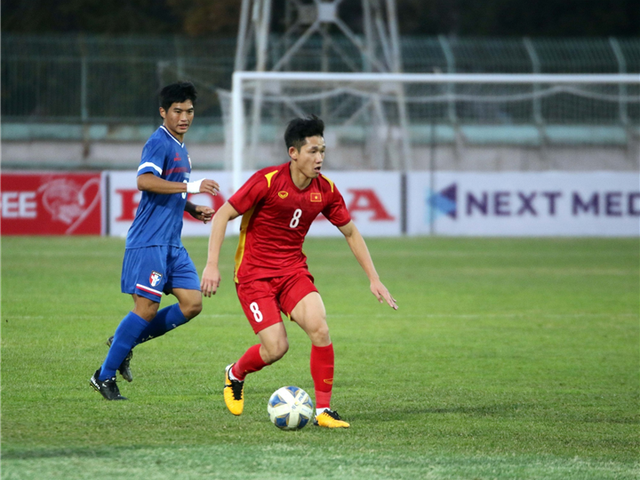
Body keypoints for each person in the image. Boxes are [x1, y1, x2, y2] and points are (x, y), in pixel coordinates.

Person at [200, 115, 397, 428]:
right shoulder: (266, 181)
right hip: (254, 275)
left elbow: (350, 232)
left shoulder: (326, 190)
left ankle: (323, 411)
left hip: (293, 271)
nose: (320, 158)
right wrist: (212, 264)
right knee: (276, 348)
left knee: (320, 328)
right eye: (313, 151)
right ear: (293, 153)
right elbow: (223, 214)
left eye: (323, 151)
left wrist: (374, 278)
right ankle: (235, 373)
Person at [90, 81, 220, 400]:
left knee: (192, 304)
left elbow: (169, 189)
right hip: (149, 240)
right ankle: (104, 376)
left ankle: (125, 341)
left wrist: (191, 208)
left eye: (189, 111)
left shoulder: (181, 149)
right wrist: (191, 187)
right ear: (163, 112)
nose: (184, 117)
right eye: (177, 111)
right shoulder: (158, 142)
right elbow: (144, 181)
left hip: (172, 243)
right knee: (146, 309)